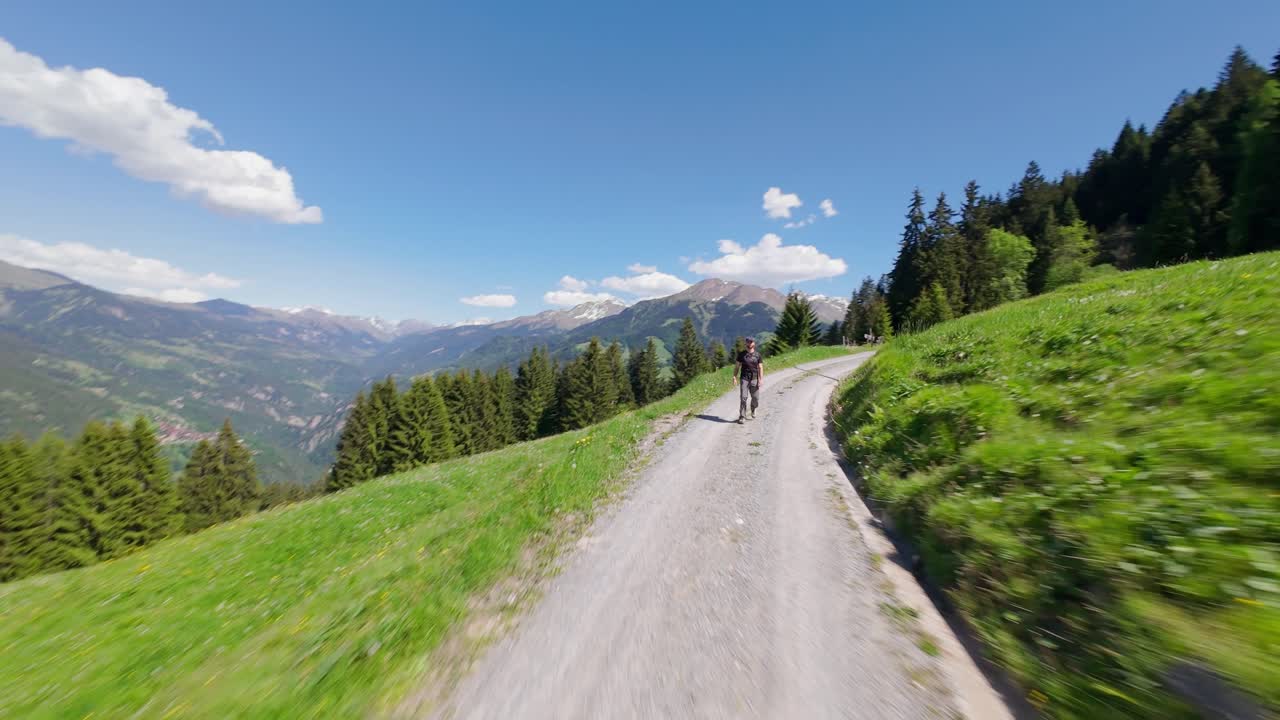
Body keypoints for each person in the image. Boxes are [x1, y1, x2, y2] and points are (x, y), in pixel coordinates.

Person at [732, 336, 764, 424]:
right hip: (744, 378)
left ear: (754, 343)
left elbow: (760, 367)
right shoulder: (742, 354)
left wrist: (760, 379)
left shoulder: (758, 355)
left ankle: (753, 409)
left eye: (751, 342)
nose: (749, 343)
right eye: (748, 342)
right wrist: (734, 376)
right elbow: (737, 366)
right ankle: (742, 416)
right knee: (743, 398)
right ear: (745, 343)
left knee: (755, 398)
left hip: (754, 378)